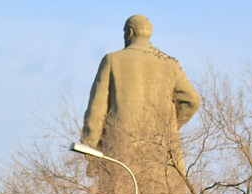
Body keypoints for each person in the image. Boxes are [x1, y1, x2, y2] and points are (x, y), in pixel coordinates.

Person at [80, 15, 200, 176]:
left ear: (129, 33)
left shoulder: (112, 60)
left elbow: (96, 111)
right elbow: (192, 100)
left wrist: (90, 150)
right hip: (163, 153)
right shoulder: (169, 64)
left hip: (120, 150)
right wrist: (169, 126)